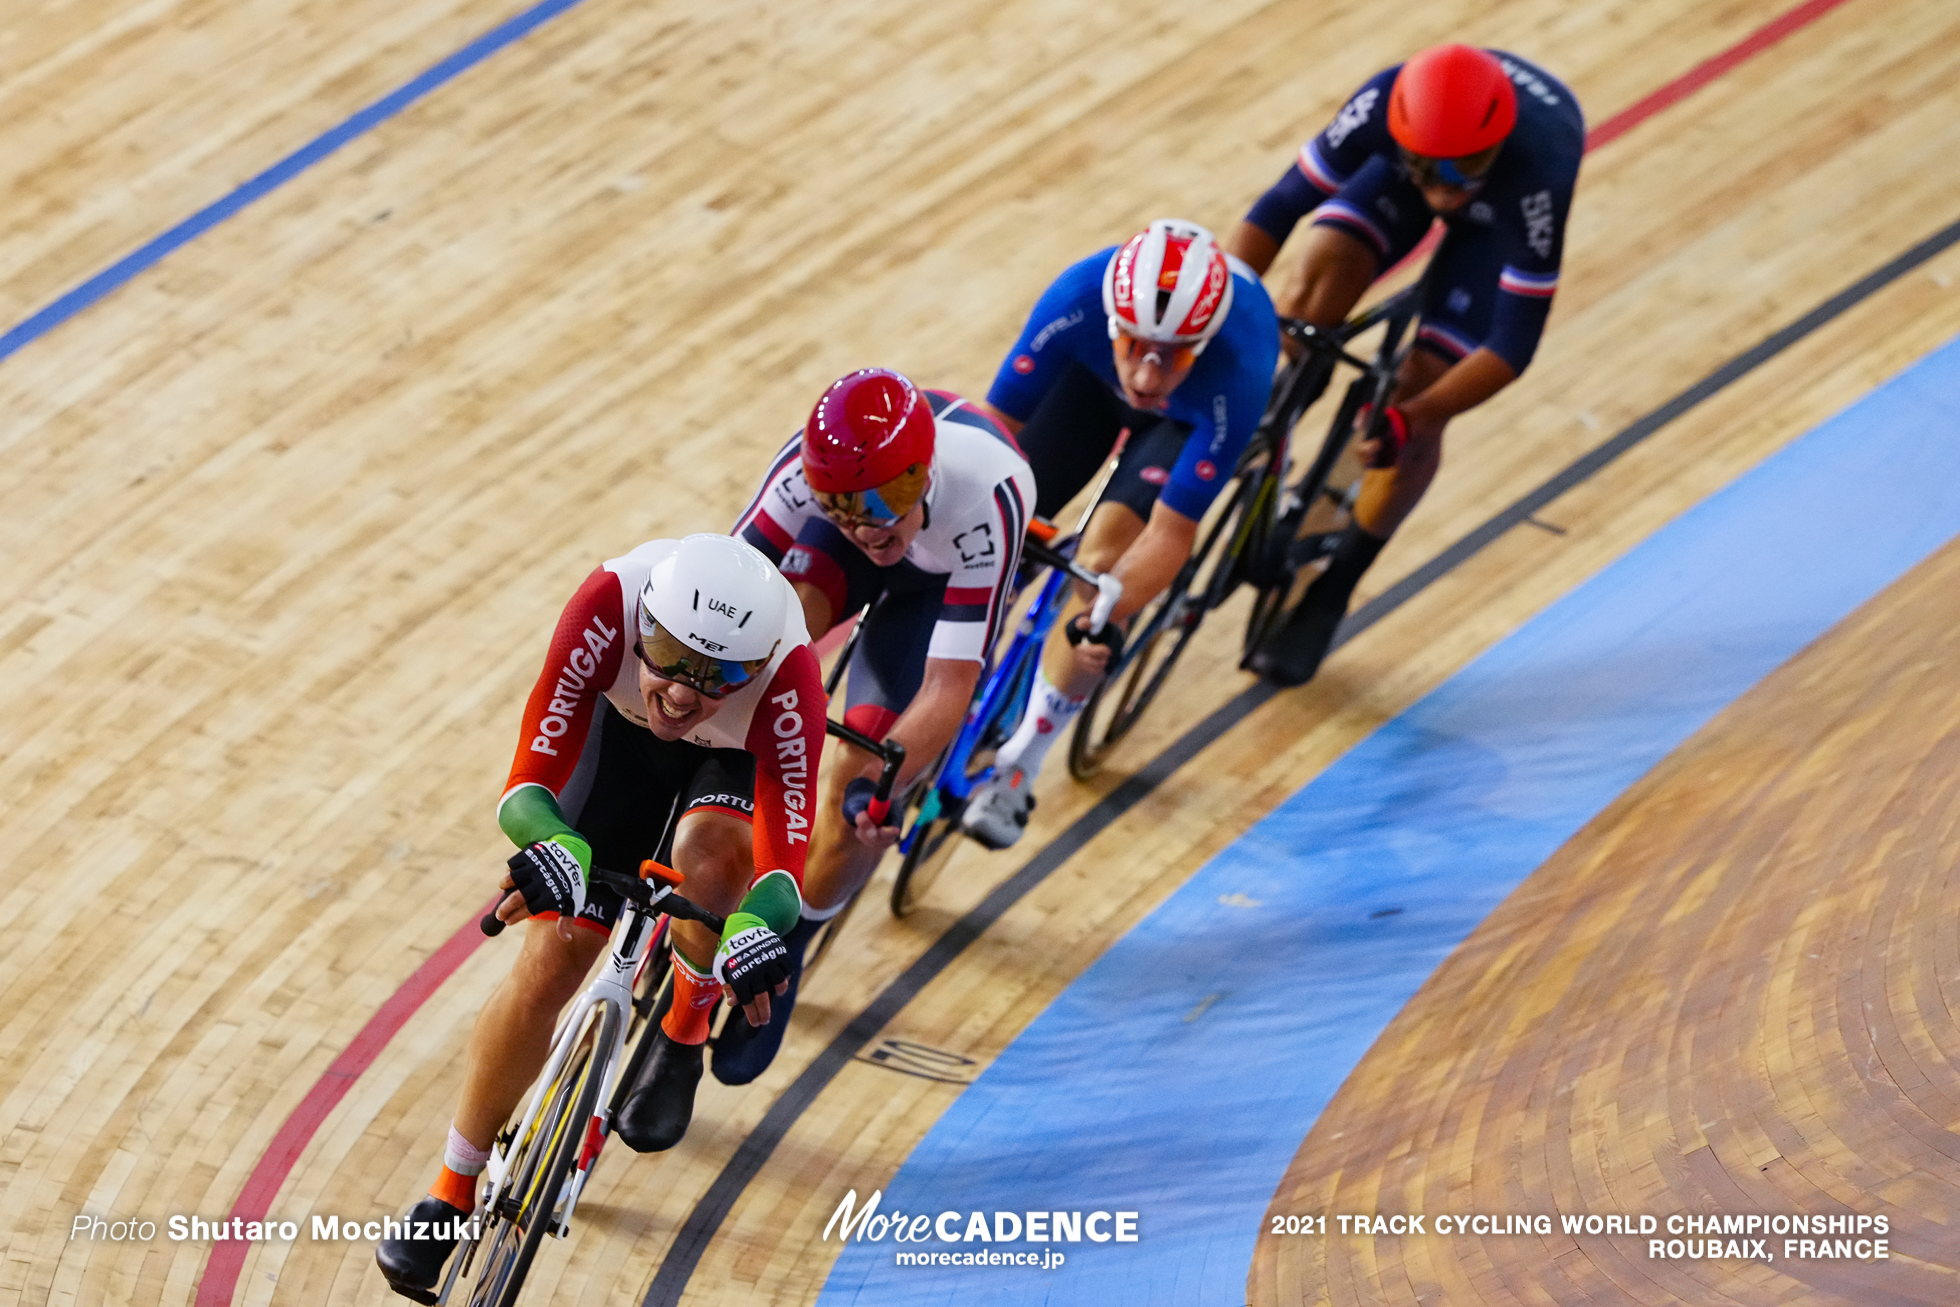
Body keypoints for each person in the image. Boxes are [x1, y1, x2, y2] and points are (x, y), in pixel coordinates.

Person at [375, 533, 825, 1302]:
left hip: (731, 764)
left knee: (713, 865)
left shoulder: (790, 678)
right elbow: (527, 787)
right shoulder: (606, 603)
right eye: (670, 656)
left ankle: (684, 1026)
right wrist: (552, 843)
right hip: (619, 742)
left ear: (754, 667)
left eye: (716, 675)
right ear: (643, 621)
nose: (682, 693)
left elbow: (784, 864)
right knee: (553, 957)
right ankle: (451, 1190)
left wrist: (754, 927)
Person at [712, 367, 1036, 1084]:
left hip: (937, 586)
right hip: (837, 567)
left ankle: (792, 943)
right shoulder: (807, 476)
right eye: (840, 504)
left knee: (860, 780)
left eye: (887, 499)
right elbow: (721, 581)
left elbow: (950, 683)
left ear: (922, 473)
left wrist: (880, 791)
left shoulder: (988, 497)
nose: (868, 523)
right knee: (774, 628)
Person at [1225, 43, 1584, 685]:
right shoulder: (1382, 103)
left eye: (1465, 167)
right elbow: (1278, 208)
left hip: (1496, 222)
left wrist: (1418, 414)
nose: (1446, 192)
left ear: (1496, 144)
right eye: (1432, 170)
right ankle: (1285, 401)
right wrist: (1219, 308)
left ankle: (1332, 591)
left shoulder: (1540, 166)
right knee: (1314, 287)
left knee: (1419, 398)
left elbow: (1511, 347)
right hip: (1394, 177)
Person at [957, 218, 1279, 846]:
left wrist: (1106, 612)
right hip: (1086, 387)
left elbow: (1172, 533)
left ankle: (1021, 765)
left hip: (1183, 425)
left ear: (1206, 342)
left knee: (1101, 570)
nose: (1150, 374)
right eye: (1135, 345)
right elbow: (994, 431)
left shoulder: (1239, 367)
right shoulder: (1076, 298)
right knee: (1000, 522)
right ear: (1112, 323)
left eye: (1175, 355)